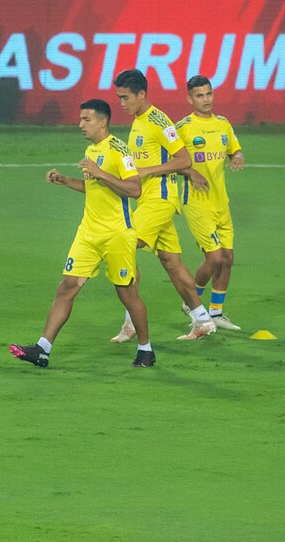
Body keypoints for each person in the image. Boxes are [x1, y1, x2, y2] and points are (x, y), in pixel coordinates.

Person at [10, 99, 154, 368]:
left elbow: (135, 189)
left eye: (86, 120)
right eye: (80, 119)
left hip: (117, 235)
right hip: (88, 233)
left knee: (126, 293)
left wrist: (101, 173)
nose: (80, 125)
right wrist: (65, 181)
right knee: (66, 287)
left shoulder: (118, 150)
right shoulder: (91, 150)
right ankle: (43, 349)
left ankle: (146, 349)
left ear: (102, 121)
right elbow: (95, 188)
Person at [109, 68, 216, 342]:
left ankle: (131, 322)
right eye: (119, 98)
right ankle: (203, 321)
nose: (121, 103)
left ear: (141, 94)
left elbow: (184, 160)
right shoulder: (138, 120)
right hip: (148, 199)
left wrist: (148, 171)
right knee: (171, 262)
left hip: (160, 199)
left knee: (124, 245)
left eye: (125, 97)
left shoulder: (159, 121)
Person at [175, 75, 245, 330]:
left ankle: (216, 313)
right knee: (214, 258)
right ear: (190, 98)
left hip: (220, 202)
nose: (205, 100)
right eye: (199, 96)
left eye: (208, 94)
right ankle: (191, 299)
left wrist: (237, 156)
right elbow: (170, 162)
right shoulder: (182, 128)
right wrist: (191, 172)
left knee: (228, 257)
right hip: (196, 203)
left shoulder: (223, 124)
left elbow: (234, 149)